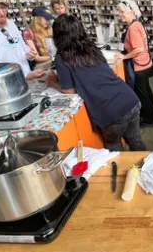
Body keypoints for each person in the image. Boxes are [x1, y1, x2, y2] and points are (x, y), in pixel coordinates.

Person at [45, 14, 146, 152]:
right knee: (136, 142)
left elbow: (69, 90)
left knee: (115, 148)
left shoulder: (62, 58)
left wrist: (52, 82)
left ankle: (122, 171)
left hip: (111, 111)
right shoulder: (92, 47)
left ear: (58, 35)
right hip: (130, 99)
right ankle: (145, 169)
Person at [114, 0, 153, 128]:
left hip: (139, 66)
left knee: (141, 94)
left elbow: (138, 49)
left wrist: (124, 56)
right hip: (145, 63)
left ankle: (149, 120)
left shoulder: (133, 28)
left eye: (122, 12)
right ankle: (152, 113)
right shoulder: (137, 24)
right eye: (119, 12)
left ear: (131, 11)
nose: (120, 15)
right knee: (146, 91)